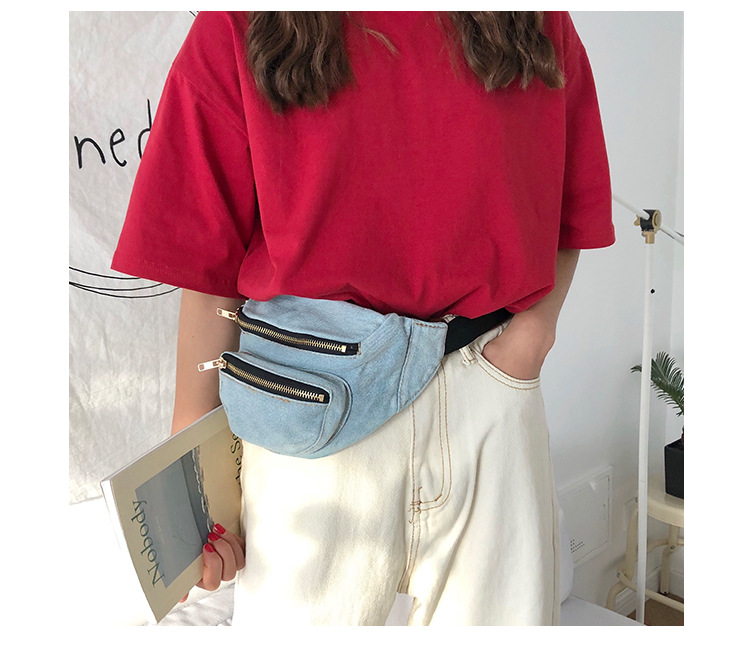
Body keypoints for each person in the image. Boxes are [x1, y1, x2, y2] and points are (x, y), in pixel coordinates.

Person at [112, 11, 615, 626]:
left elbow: (573, 201)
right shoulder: (241, 23)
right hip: (312, 403)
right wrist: (198, 480)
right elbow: (205, 259)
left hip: (488, 391)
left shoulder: (532, 18)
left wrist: (529, 342)